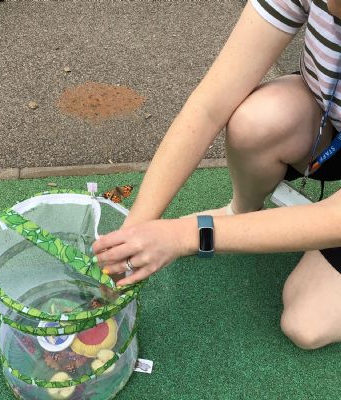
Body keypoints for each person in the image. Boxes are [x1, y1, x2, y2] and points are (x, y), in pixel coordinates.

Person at [92, 0, 341, 351]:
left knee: (307, 322)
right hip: (329, 124)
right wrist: (134, 230)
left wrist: (189, 235)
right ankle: (241, 213)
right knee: (259, 120)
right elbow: (210, 105)